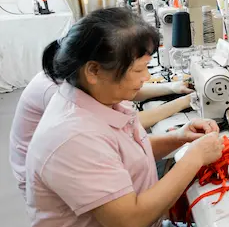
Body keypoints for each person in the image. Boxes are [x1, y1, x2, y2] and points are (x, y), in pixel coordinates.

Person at [25, 8, 224, 227]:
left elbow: (125, 154)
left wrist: (179, 139)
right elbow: (129, 223)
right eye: (138, 71)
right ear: (94, 70)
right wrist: (195, 158)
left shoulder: (99, 101)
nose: (145, 79)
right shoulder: (71, 135)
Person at [10, 72, 195, 199]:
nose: (146, 76)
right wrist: (184, 102)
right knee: (166, 165)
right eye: (138, 68)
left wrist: (173, 88)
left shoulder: (74, 81)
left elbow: (129, 89)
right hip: (49, 180)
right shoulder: (60, 97)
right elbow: (135, 121)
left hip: (58, 168)